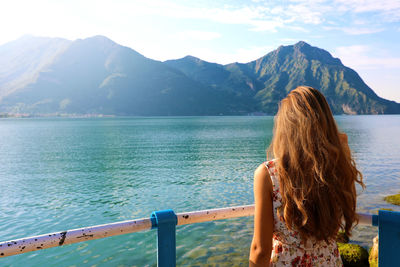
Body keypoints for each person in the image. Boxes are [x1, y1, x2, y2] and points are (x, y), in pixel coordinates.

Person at [249, 86, 364, 266]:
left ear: (286, 127)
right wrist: (344, 153)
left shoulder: (268, 174)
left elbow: (260, 250)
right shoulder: (336, 169)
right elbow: (349, 207)